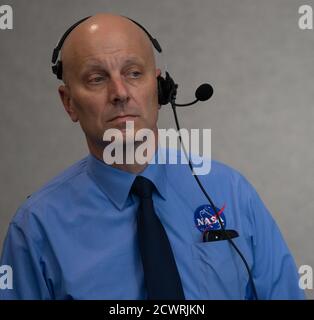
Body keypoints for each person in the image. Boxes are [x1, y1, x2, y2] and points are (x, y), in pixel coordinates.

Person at [0, 13, 304, 300]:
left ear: (159, 89)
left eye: (133, 73)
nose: (119, 92)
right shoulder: (36, 227)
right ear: (69, 103)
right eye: (96, 78)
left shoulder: (231, 192)